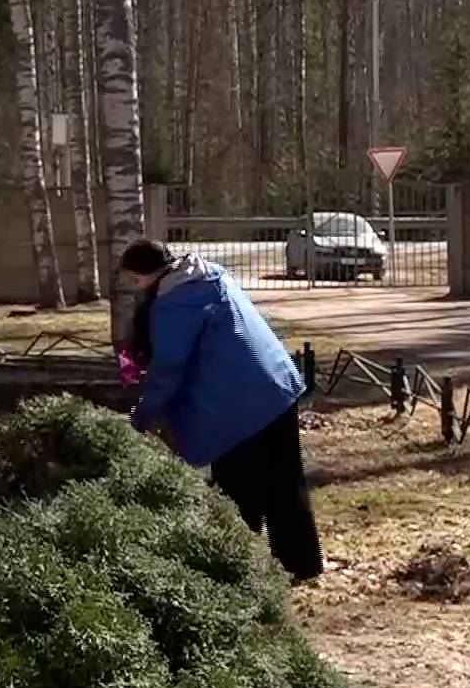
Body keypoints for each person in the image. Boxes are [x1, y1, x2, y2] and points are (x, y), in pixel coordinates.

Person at [117, 238, 324, 584]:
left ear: (148, 274)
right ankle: (300, 565)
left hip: (235, 408)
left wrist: (140, 419)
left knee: (239, 495)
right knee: (285, 482)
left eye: (135, 281)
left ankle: (240, 573)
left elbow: (168, 369)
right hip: (275, 386)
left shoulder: (172, 304)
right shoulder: (210, 275)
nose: (136, 289)